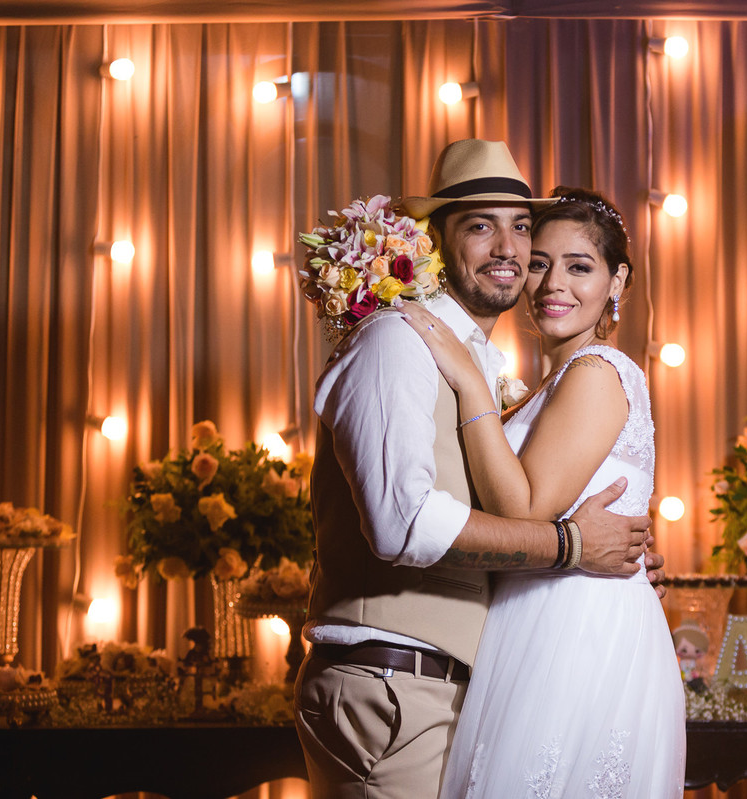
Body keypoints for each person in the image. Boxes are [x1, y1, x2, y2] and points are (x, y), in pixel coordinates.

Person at [294, 139, 666, 799]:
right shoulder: (398, 340)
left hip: (496, 672)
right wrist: (576, 545)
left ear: (617, 281)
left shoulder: (511, 374)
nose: (512, 250)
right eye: (480, 225)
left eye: (520, 226)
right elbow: (404, 523)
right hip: (394, 684)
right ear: (437, 241)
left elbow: (516, 507)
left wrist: (617, 560)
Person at [400, 186, 686, 798]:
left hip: (577, 630)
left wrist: (471, 386)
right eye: (539, 264)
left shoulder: (597, 372)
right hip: (537, 615)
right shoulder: (549, 385)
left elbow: (525, 510)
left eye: (580, 267)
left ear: (618, 281)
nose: (554, 283)